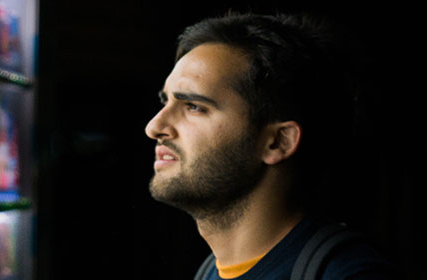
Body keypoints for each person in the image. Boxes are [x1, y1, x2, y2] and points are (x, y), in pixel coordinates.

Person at [145, 13, 392, 280]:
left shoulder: (345, 274)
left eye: (194, 107)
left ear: (278, 142)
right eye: (165, 102)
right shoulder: (209, 272)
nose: (154, 127)